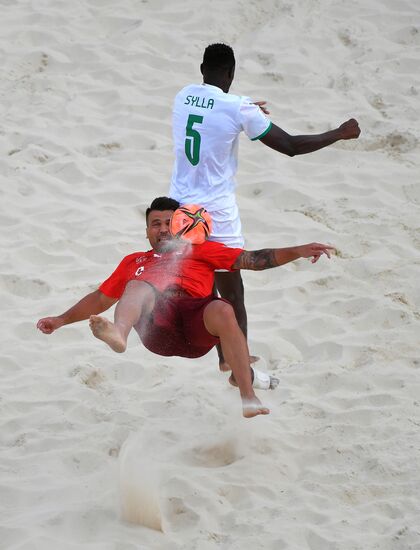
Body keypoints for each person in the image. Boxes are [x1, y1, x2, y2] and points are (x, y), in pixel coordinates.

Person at [37, 197, 334, 419]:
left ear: (182, 225)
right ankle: (119, 334)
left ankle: (248, 396)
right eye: (156, 224)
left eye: (170, 222)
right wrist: (61, 319)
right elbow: (100, 299)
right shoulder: (135, 261)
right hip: (157, 328)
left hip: (196, 326)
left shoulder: (200, 250)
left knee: (223, 309)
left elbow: (253, 260)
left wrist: (298, 251)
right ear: (147, 232)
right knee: (137, 286)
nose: (163, 229)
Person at [169, 42, 360, 369]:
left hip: (181, 211)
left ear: (202, 70)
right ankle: (234, 364)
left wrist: (244, 111)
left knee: (205, 285)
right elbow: (290, 146)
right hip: (215, 216)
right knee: (233, 291)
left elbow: (214, 110)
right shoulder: (237, 108)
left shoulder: (184, 95)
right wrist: (339, 133)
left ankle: (226, 358)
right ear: (231, 73)